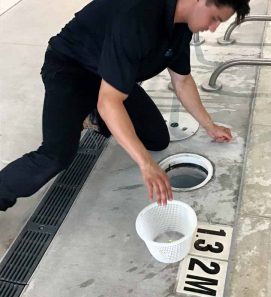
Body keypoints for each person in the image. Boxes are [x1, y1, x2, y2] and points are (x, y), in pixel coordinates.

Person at [0, 0, 250, 211]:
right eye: (215, 18)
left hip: (113, 79)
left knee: (155, 138)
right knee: (55, 156)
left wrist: (210, 126)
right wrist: (146, 165)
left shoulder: (182, 25)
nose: (214, 28)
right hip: (71, 70)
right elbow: (109, 101)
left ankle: (90, 117)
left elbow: (182, 80)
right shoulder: (138, 16)